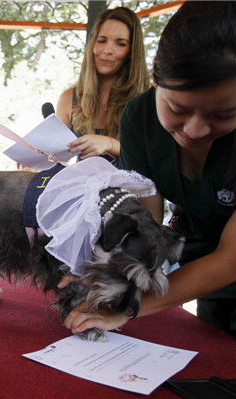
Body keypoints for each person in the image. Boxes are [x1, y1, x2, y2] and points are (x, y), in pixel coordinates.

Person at [64, 1, 236, 336]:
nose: (195, 131)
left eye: (224, 115)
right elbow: (145, 228)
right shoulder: (139, 119)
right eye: (177, 108)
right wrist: (98, 275)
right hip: (206, 283)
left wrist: (128, 306)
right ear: (156, 76)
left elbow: (231, 258)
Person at [56, 7, 149, 163]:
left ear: (132, 51)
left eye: (120, 44)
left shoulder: (150, 98)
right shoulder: (68, 99)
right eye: (102, 41)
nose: (107, 50)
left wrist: (109, 144)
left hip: (132, 186)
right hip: (82, 185)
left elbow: (156, 161)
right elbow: (57, 160)